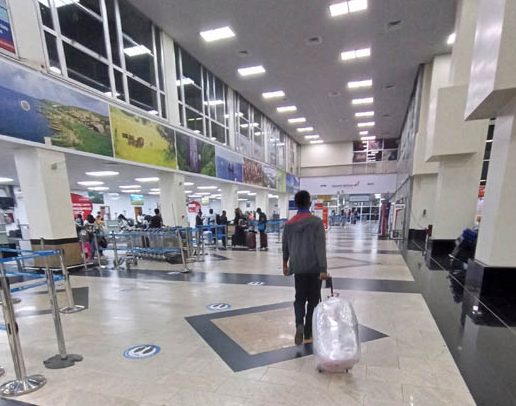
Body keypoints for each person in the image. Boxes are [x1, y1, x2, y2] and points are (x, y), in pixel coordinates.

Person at [282, 190, 327, 345]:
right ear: (309, 203)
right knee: (313, 301)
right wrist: (323, 269)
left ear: (295, 204)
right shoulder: (316, 222)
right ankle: (308, 333)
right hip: (314, 269)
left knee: (299, 299)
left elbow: (285, 246)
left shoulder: (289, 224)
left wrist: (285, 264)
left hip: (298, 268)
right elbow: (320, 247)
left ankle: (299, 325)